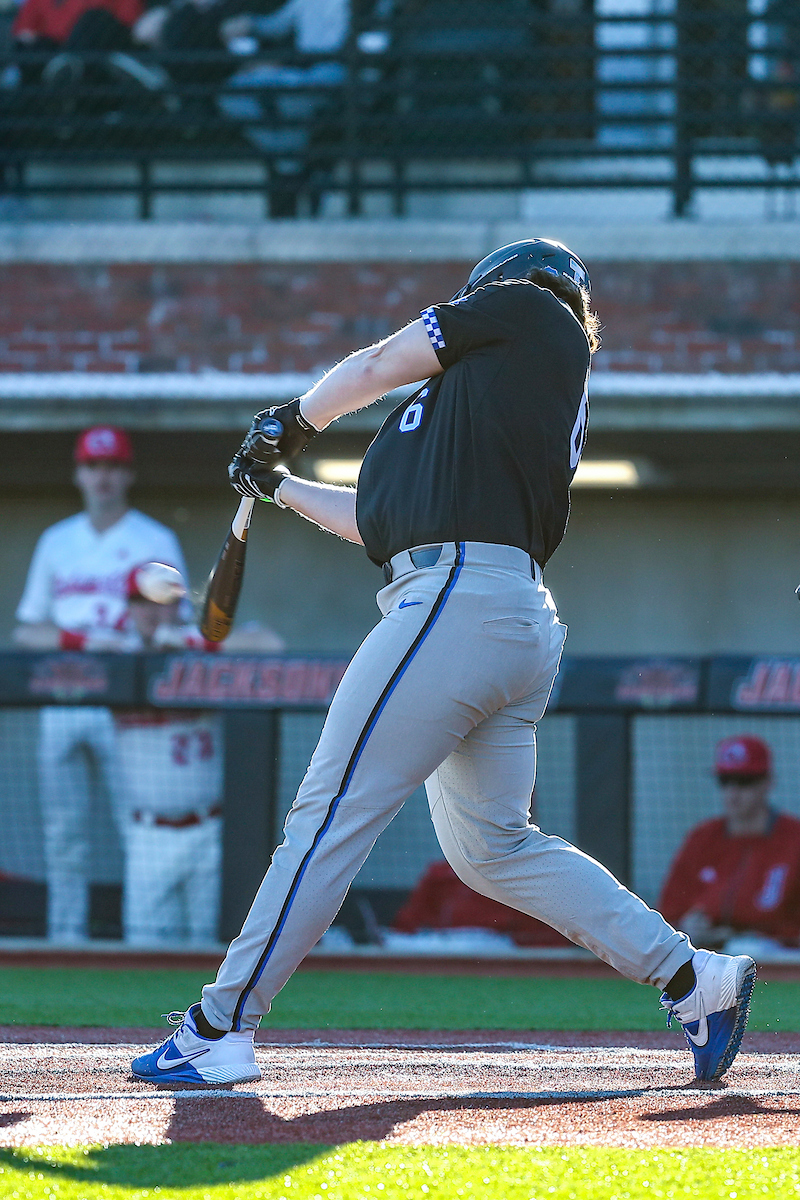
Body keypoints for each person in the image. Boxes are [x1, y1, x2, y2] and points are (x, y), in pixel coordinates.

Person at [131, 238, 756, 1089]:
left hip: (459, 601)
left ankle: (220, 1025)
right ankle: (693, 978)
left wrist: (295, 417)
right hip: (493, 613)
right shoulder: (466, 412)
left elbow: (386, 357)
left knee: (329, 813)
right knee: (492, 848)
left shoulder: (533, 308)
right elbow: (380, 523)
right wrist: (278, 484)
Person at [14, 425, 188, 943]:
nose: (103, 476)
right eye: (93, 466)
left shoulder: (154, 539)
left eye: (112, 466)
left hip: (129, 701)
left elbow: (179, 627)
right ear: (79, 473)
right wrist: (82, 640)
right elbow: (27, 629)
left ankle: (143, 944)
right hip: (64, 695)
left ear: (128, 473)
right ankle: (66, 943)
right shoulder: (57, 540)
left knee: (135, 822)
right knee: (63, 834)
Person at [115, 566, 224, 946]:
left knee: (211, 955)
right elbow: (31, 637)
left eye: (160, 602)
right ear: (128, 607)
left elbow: (266, 644)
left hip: (209, 830)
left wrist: (187, 645)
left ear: (177, 606)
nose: (150, 612)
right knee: (144, 958)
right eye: (140, 602)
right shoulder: (116, 656)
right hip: (150, 835)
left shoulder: (197, 647)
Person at [659, 735, 800, 950]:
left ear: (767, 782)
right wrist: (685, 926)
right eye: (725, 781)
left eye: (744, 782)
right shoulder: (702, 837)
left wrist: (756, 934)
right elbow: (669, 911)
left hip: (778, 954)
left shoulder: (794, 838)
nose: (733, 793)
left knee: (749, 948)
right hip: (707, 952)